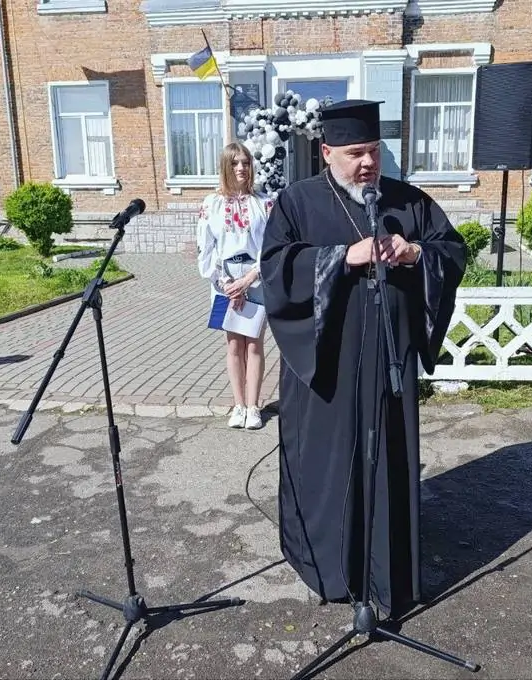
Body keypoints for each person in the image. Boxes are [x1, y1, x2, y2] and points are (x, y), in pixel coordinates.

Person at [259, 99, 467, 619]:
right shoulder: (297, 202)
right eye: (355, 153)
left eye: (373, 150)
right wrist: (340, 257)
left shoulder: (407, 201)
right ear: (327, 152)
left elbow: (451, 251)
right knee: (327, 466)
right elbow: (276, 269)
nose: (368, 163)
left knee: (386, 462)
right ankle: (330, 570)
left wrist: (415, 254)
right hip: (325, 368)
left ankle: (385, 572)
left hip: (388, 365)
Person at [197, 141, 273, 430]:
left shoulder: (263, 202)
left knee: (254, 344)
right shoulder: (212, 204)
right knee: (233, 345)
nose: (241, 168)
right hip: (224, 279)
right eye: (234, 163)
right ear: (225, 167)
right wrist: (226, 283)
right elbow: (206, 248)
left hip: (255, 277)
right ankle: (238, 405)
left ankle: (253, 406)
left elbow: (271, 247)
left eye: (245, 162)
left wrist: (248, 279)